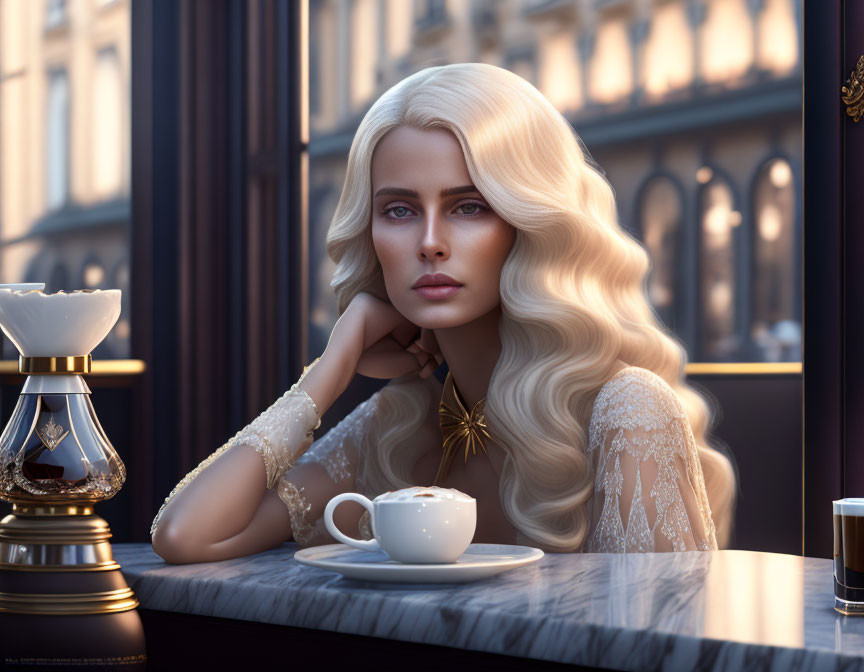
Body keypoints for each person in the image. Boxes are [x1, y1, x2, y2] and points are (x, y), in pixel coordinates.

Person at [150, 63, 736, 563]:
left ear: (529, 223)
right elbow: (186, 536)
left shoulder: (626, 409)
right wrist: (332, 367)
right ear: (371, 231)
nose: (430, 241)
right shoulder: (401, 420)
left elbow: (655, 647)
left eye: (469, 206)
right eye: (400, 210)